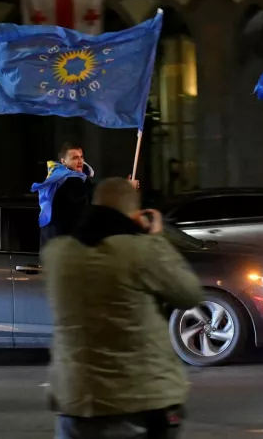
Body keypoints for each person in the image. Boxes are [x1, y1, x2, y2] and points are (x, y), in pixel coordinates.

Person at [44, 178, 204, 439]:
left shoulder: (56, 254)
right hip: (140, 399)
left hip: (75, 399)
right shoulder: (140, 252)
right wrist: (156, 238)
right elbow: (189, 294)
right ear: (135, 213)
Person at [34, 143, 139, 247]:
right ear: (63, 161)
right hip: (64, 244)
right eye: (75, 158)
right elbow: (97, 193)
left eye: (81, 157)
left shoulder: (56, 177)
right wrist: (124, 187)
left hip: (50, 242)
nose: (80, 161)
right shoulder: (70, 179)